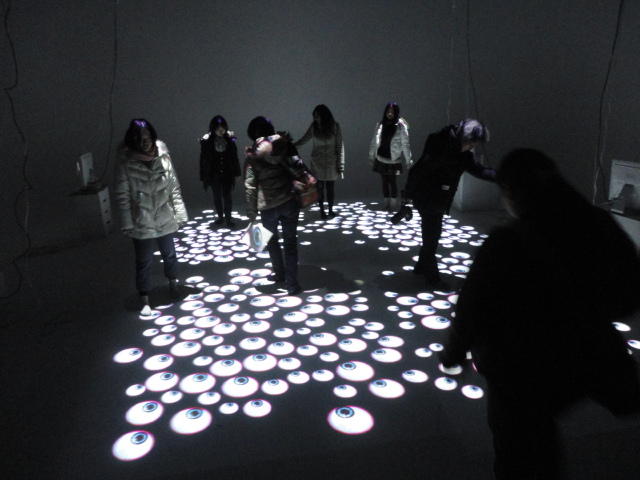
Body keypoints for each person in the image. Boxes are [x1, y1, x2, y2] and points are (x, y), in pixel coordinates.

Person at [440, 149, 640, 479]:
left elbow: (471, 306)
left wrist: (453, 354)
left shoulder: (507, 242)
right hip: (578, 356)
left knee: (521, 452)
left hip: (518, 368)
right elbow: (629, 293)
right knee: (539, 445)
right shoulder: (598, 226)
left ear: (512, 191)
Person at [404, 118, 494, 289]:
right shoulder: (438, 143)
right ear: (465, 138)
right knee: (432, 237)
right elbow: (419, 170)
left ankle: (421, 267)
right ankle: (433, 278)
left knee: (431, 235)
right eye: (472, 143)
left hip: (439, 199)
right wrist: (407, 196)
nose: (472, 147)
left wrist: (503, 177)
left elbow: (479, 171)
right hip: (426, 196)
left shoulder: (464, 154)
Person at [114, 119, 188, 313]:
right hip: (142, 221)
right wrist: (127, 223)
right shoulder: (126, 163)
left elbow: (174, 188)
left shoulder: (163, 157)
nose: (144, 142)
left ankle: (173, 284)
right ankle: (144, 298)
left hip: (164, 217)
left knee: (170, 254)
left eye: (147, 138)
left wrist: (180, 214)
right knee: (144, 261)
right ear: (133, 140)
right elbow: (123, 196)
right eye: (140, 138)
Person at [244, 116, 307, 295]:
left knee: (272, 241)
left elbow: (250, 185)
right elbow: (299, 167)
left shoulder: (253, 155)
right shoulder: (284, 145)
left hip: (268, 205)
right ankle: (292, 284)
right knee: (290, 243)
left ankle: (280, 274)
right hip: (289, 201)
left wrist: (251, 211)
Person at [294, 104, 345, 219]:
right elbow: (304, 139)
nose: (316, 119)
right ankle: (322, 211)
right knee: (319, 188)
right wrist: (291, 146)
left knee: (330, 188)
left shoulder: (335, 127)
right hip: (317, 163)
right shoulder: (314, 127)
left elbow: (339, 146)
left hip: (332, 163)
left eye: (317, 116)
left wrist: (340, 165)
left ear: (324, 116)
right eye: (315, 116)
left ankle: (330, 210)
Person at [368, 102, 412, 211]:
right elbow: (374, 141)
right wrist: (371, 155)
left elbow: (405, 144)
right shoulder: (380, 124)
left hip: (394, 160)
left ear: (396, 112)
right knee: (384, 182)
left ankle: (392, 205)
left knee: (392, 182)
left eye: (392, 111)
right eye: (388, 111)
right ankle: (386, 203)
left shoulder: (401, 126)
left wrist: (408, 160)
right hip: (381, 157)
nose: (390, 113)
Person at [200, 115, 241, 228]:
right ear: (213, 128)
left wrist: (237, 172)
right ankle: (220, 217)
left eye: (222, 127)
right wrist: (203, 175)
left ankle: (228, 218)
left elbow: (234, 157)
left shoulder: (230, 140)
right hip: (214, 174)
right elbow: (203, 160)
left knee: (227, 197)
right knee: (217, 196)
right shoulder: (207, 142)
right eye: (218, 127)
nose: (220, 129)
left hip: (227, 173)